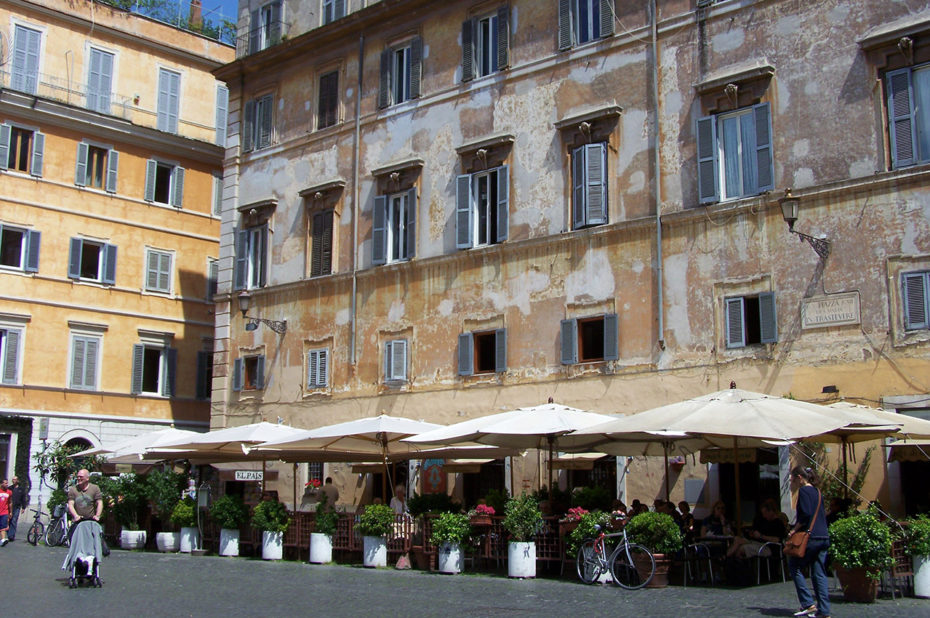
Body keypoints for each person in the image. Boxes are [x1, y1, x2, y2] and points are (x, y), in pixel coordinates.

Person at [788, 466, 830, 618]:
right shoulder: (818, 492)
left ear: (800, 477)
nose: (792, 482)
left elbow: (805, 514)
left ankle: (808, 603)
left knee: (794, 566)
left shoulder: (804, 491)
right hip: (823, 536)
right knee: (819, 573)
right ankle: (824, 611)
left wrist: (794, 529)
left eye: (793, 478)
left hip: (811, 537)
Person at [9, 476, 27, 542]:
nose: (14, 480)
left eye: (15, 479)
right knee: (9, 520)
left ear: (17, 480)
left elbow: (23, 498)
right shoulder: (10, 488)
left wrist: (23, 507)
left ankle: (11, 536)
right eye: (13, 479)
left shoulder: (21, 489)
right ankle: (9, 534)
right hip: (10, 507)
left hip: (17, 507)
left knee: (14, 520)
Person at [0, 479, 11, 546]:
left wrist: (10, 512)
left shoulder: (9, 492)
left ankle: (3, 540)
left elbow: (10, 502)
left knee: (3, 527)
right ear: (1, 484)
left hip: (4, 512)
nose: (7, 484)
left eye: (7, 483)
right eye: (5, 483)